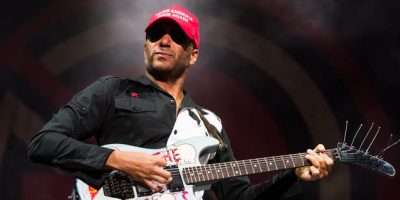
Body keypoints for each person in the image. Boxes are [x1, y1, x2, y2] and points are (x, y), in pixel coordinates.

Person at [28, 5, 333, 200]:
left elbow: (239, 196)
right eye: (155, 34)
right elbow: (44, 144)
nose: (163, 40)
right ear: (146, 45)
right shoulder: (113, 90)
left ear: (193, 54)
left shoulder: (209, 124)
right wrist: (117, 160)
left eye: (176, 36)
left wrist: (293, 174)